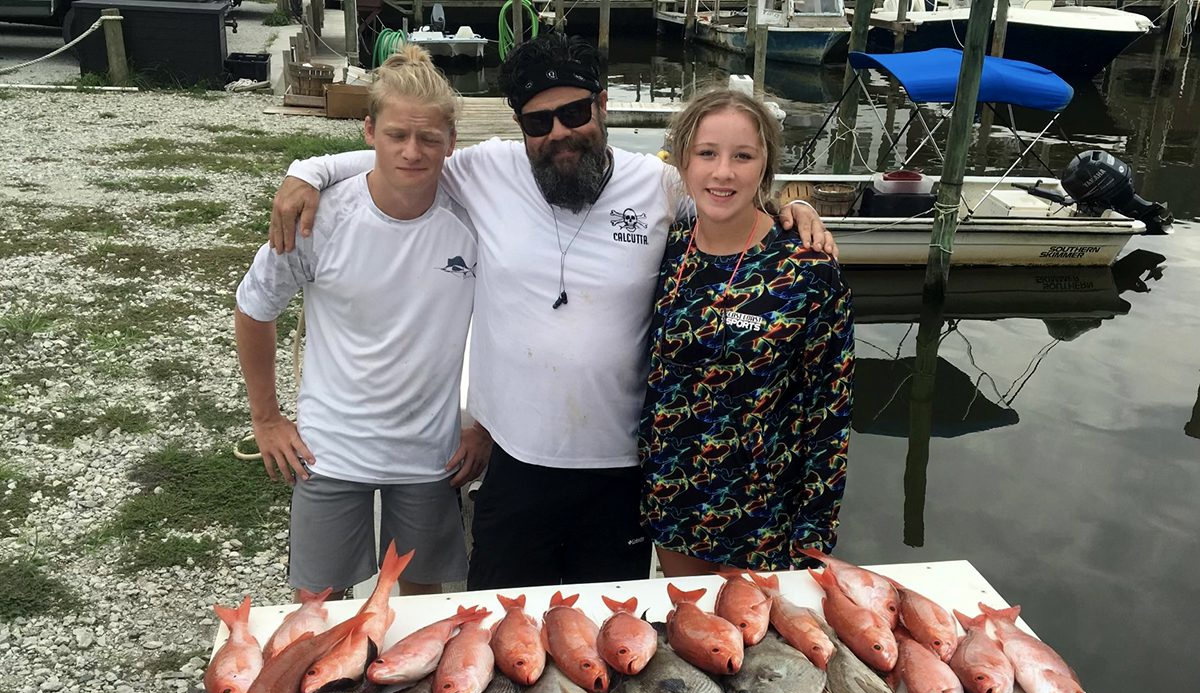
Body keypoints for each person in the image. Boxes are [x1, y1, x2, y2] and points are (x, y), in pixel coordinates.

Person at [269, 34, 837, 591]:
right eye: (539, 122)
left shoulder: (660, 186)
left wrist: (794, 205)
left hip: (622, 467)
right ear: (520, 129)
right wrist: (309, 169)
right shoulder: (486, 171)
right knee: (502, 628)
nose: (560, 133)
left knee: (611, 633)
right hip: (516, 461)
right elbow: (409, 153)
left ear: (602, 105)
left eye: (574, 113)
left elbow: (729, 193)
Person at [234, 47, 490, 600]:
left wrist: (483, 425)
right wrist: (267, 418)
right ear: (369, 130)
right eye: (397, 135)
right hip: (330, 448)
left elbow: (507, 325)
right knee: (318, 604)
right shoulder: (317, 218)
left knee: (424, 603)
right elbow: (255, 306)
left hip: (430, 452)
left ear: (451, 141)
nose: (412, 152)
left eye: (429, 138)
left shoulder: (474, 216)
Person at [639, 89, 854, 576]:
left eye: (743, 156)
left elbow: (830, 416)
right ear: (683, 161)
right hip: (670, 503)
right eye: (707, 153)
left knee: (751, 650)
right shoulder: (669, 245)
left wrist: (814, 537)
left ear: (765, 166)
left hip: (761, 519)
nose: (723, 172)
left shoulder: (808, 271)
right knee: (692, 639)